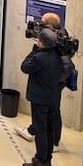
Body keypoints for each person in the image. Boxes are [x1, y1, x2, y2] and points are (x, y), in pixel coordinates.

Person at [15, 13, 72, 153]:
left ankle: (51, 142)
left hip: (52, 81)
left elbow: (26, 67)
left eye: (43, 24)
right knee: (49, 111)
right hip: (54, 79)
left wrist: (36, 50)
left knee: (51, 111)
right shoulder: (60, 37)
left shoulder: (59, 40)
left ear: (50, 26)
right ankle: (37, 132)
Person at [20, 28, 62, 166]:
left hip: (39, 99)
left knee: (40, 130)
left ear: (41, 42)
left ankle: (40, 161)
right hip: (51, 97)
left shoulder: (39, 57)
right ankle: (47, 160)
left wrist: (34, 51)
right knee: (49, 129)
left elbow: (24, 67)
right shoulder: (57, 55)